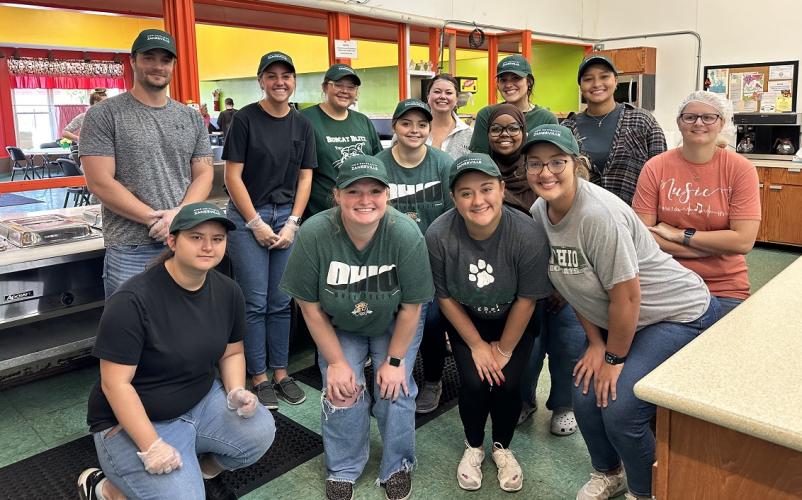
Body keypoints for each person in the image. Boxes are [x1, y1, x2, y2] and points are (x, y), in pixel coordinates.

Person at [523, 124, 720, 500]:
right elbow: (574, 284)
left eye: (557, 162)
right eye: (536, 163)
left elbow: (627, 297)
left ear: (577, 164)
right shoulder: (539, 212)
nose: (546, 172)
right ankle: (609, 472)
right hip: (625, 320)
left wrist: (613, 358)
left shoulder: (598, 215)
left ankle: (645, 492)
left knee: (619, 406)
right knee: (584, 393)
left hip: (677, 313)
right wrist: (596, 344)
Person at [77, 202, 275, 500]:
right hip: (135, 419)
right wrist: (151, 445)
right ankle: (104, 489)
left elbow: (232, 352)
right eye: (196, 237)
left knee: (260, 431)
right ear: (172, 241)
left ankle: (202, 474)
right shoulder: (132, 300)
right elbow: (115, 384)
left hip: (199, 402)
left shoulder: (228, 291)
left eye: (217, 239)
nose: (208, 246)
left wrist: (235, 390)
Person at [279, 155, 433, 500]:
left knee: (395, 389)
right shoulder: (316, 233)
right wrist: (335, 362)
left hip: (394, 320)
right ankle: (343, 467)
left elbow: (412, 306)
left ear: (387, 195)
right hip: (340, 323)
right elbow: (309, 306)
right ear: (337, 195)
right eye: (354, 191)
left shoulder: (405, 233)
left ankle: (397, 465)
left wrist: (395, 362)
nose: (365, 200)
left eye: (375, 191)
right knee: (342, 389)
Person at [426, 153, 552, 493]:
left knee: (508, 384)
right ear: (453, 198)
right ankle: (473, 446)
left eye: (486, 189)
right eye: (465, 193)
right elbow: (445, 298)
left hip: (515, 318)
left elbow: (527, 300)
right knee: (474, 382)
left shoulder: (527, 233)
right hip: (468, 319)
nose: (477, 200)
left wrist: (504, 349)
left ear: (501, 189)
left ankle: (502, 447)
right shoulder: (439, 234)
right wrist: (477, 345)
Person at [81, 29, 214, 298]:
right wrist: (156, 220)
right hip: (130, 247)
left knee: (183, 320)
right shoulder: (103, 115)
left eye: (165, 60)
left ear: (173, 65)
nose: (158, 66)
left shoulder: (190, 118)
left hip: (183, 243)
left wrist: (178, 216)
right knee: (128, 322)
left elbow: (204, 174)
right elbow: (99, 182)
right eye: (149, 58)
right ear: (132, 61)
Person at [223, 51, 316, 410]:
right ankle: (258, 376)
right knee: (255, 302)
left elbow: (305, 177)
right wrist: (255, 223)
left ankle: (281, 372)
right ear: (261, 80)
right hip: (249, 217)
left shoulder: (302, 124)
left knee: (280, 302)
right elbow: (232, 176)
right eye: (272, 75)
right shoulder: (245, 119)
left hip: (286, 218)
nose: (280, 82)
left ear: (294, 81)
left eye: (286, 75)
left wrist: (293, 222)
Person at [632, 91, 761, 317]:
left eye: (708, 117)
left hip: (724, 288)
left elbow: (743, 241)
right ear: (679, 123)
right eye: (690, 117)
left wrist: (681, 235)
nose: (698, 123)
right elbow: (642, 236)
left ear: (722, 123)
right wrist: (711, 248)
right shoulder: (655, 167)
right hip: (667, 282)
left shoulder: (741, 169)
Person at [376, 98, 453, 414]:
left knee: (433, 320)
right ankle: (389, 377)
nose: (414, 130)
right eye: (406, 123)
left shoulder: (442, 164)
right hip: (389, 261)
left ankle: (433, 379)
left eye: (422, 124)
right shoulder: (379, 165)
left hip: (432, 261)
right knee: (389, 321)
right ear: (394, 126)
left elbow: (454, 216)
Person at [560, 54, 666, 205]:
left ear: (616, 81)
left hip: (635, 215)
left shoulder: (642, 121)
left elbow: (662, 174)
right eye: (588, 79)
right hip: (583, 215)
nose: (597, 84)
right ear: (580, 86)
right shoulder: (567, 129)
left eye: (604, 77)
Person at [301, 63, 383, 218]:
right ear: (325, 87)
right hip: (322, 214)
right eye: (338, 85)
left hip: (362, 212)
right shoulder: (305, 119)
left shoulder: (363, 121)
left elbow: (379, 163)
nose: (345, 91)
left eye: (351, 87)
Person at [469, 54, 558, 154]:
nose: (508, 85)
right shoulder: (486, 114)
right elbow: (480, 158)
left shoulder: (546, 119)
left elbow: (551, 157)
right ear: (498, 84)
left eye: (516, 78)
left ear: (529, 81)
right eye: (503, 80)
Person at [426, 73, 472, 159]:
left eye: (449, 93)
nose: (443, 96)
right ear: (428, 96)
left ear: (456, 99)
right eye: (437, 92)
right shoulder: (414, 130)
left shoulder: (469, 134)